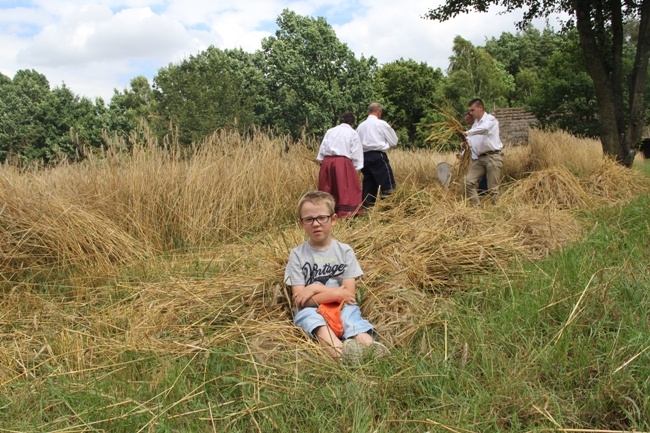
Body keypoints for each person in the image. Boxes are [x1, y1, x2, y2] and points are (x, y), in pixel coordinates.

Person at [284, 191, 388, 362]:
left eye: (321, 218)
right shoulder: (297, 255)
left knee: (351, 320)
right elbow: (300, 300)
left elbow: (348, 295)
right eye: (309, 219)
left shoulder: (344, 251)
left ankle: (372, 351)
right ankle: (341, 355)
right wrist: (334, 293)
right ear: (301, 223)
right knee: (315, 322)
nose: (316, 224)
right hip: (312, 309)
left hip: (342, 307)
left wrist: (315, 288)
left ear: (333, 220)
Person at [316, 112, 363, 218]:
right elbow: (356, 153)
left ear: (340, 121)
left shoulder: (330, 131)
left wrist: (323, 163)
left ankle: (326, 212)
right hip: (343, 162)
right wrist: (355, 168)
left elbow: (322, 150)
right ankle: (346, 213)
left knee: (328, 187)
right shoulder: (353, 133)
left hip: (327, 161)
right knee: (345, 188)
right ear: (352, 123)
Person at [356, 102, 399, 207]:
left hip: (364, 157)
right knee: (387, 185)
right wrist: (385, 145)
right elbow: (394, 141)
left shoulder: (360, 126)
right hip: (378, 156)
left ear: (368, 112)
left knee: (369, 185)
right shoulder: (381, 124)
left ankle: (367, 210)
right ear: (379, 112)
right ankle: (389, 209)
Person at [464, 98, 503, 205]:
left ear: (480, 108)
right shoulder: (475, 125)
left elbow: (484, 129)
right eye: (470, 111)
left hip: (493, 156)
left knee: (492, 188)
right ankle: (476, 208)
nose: (471, 113)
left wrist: (466, 133)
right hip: (480, 158)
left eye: (473, 110)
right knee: (469, 182)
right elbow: (471, 142)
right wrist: (464, 143)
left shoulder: (490, 120)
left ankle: (497, 211)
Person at [456, 111, 488, 194]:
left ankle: (483, 192)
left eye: (468, 119)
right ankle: (481, 193)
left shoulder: (480, 128)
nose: (467, 122)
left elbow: (475, 143)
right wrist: (462, 154)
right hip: (475, 158)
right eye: (466, 120)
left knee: (483, 177)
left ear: (473, 118)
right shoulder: (472, 130)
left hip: (483, 157)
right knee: (477, 178)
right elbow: (469, 146)